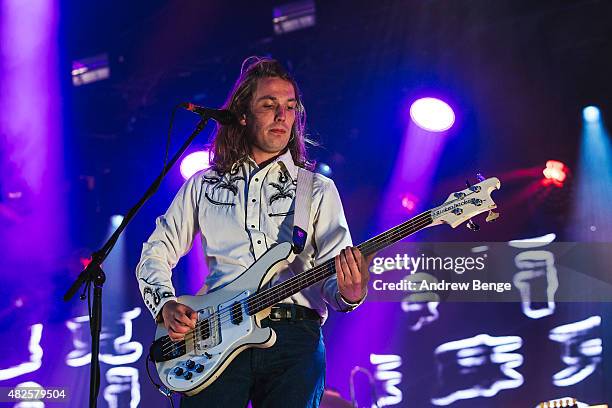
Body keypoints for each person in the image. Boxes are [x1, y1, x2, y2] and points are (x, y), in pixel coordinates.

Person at [136, 57, 372, 408]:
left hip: (295, 339)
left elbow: (333, 281)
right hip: (214, 337)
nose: (282, 116)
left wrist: (350, 292)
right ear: (243, 115)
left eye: (290, 107)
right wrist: (165, 306)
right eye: (269, 105)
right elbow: (156, 251)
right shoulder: (205, 185)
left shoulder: (316, 189)